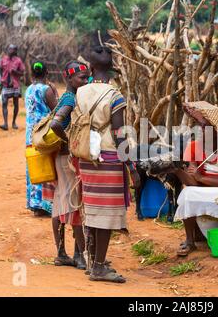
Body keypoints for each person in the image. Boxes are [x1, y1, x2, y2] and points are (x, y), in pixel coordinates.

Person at [75, 44, 140, 283]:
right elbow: (120, 132)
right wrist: (131, 167)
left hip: (87, 156)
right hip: (109, 157)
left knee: (92, 210)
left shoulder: (80, 92)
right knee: (107, 215)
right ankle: (100, 267)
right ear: (112, 69)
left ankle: (92, 262)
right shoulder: (115, 95)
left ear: (90, 67)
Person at [171, 111, 218, 257]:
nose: (203, 132)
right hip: (203, 189)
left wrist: (200, 177)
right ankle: (190, 241)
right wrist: (176, 169)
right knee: (187, 194)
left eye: (208, 128)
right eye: (201, 128)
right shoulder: (192, 147)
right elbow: (192, 183)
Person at [49, 60, 90, 269]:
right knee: (73, 204)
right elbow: (56, 123)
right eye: (82, 78)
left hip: (62, 158)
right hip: (67, 159)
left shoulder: (69, 96)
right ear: (69, 78)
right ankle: (79, 255)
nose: (86, 81)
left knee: (61, 202)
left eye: (87, 77)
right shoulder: (70, 99)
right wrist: (68, 142)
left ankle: (63, 253)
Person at [24, 61, 58, 216]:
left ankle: (35, 203)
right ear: (47, 74)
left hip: (30, 134)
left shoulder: (29, 89)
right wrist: (55, 92)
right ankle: (46, 203)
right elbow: (57, 111)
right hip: (44, 134)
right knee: (47, 166)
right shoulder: (47, 90)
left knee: (33, 166)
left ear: (32, 74)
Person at [0, 44, 25, 130]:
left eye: (12, 49)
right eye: (9, 48)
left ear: (15, 51)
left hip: (15, 85)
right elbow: (1, 70)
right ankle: (5, 123)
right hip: (5, 84)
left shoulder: (18, 60)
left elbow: (22, 73)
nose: (10, 50)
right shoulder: (3, 59)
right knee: (4, 103)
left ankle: (14, 122)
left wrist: (16, 72)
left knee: (16, 104)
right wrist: (1, 80)